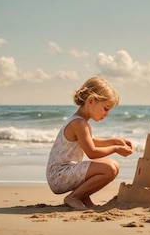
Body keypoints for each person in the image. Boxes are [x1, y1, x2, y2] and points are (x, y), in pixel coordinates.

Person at [46, 77, 133, 209]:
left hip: (63, 173)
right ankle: (74, 197)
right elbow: (92, 152)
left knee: (112, 165)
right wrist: (115, 149)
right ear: (91, 101)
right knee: (110, 168)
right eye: (106, 108)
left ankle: (82, 196)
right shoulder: (79, 123)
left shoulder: (80, 121)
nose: (107, 114)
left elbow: (90, 141)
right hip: (59, 175)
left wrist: (114, 141)